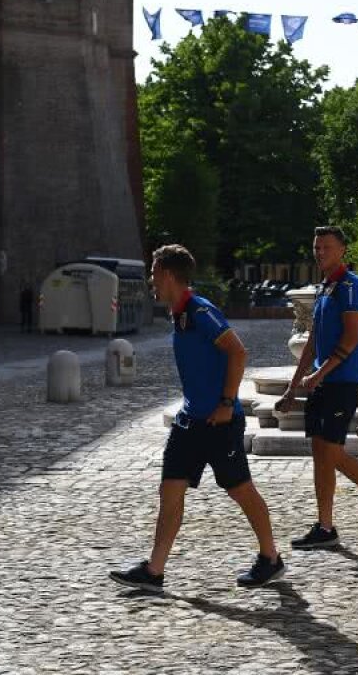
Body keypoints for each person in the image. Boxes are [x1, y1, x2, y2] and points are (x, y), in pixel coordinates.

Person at [110, 244, 284, 592]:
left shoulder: (201, 310)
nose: (151, 281)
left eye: (155, 273)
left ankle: (271, 558)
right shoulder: (179, 314)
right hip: (190, 421)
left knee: (240, 489)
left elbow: (238, 351)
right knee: (169, 490)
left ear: (170, 275)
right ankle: (154, 570)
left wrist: (226, 402)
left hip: (219, 423)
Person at [277, 226, 358, 549]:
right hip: (323, 382)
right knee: (321, 453)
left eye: (326, 247)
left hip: (342, 381)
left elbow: (352, 339)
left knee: (332, 451)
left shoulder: (351, 286)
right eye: (316, 247)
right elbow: (311, 345)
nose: (320, 252)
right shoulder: (325, 289)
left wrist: (320, 374)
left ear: (342, 250)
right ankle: (325, 527)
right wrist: (292, 388)